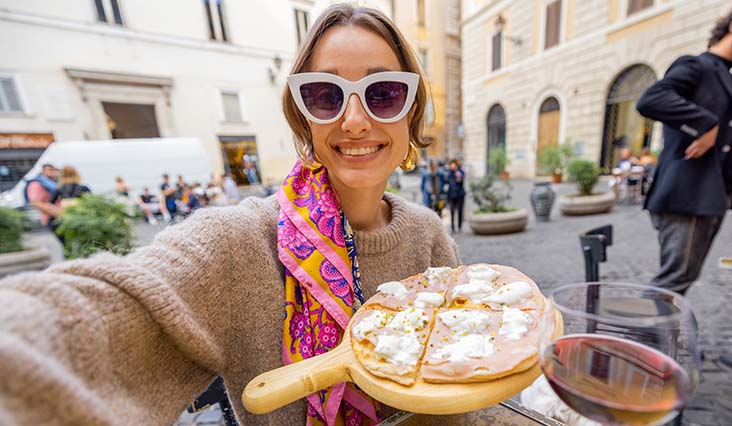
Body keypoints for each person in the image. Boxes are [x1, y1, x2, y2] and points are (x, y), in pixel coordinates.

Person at [0, 5, 458, 425]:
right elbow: (103, 308)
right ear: (303, 118)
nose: (355, 120)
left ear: (410, 110)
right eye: (325, 94)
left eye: (383, 94)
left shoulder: (429, 236)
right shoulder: (240, 243)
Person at [636, 9, 732, 297]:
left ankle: (657, 336)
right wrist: (707, 124)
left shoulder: (724, 76)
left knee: (683, 278)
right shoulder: (698, 66)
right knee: (674, 280)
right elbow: (651, 99)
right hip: (688, 194)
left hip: (711, 197)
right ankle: (631, 340)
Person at [23, 163, 61, 237]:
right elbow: (35, 202)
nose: (53, 172)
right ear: (43, 171)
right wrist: (56, 212)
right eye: (50, 170)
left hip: (58, 215)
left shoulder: (52, 183)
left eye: (54, 170)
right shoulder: (36, 183)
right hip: (52, 217)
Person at [446, 159, 466, 233]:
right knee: (452, 211)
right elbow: (447, 182)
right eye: (451, 165)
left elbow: (461, 180)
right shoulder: (449, 173)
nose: (452, 166)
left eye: (454, 165)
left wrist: (459, 177)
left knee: (460, 211)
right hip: (451, 195)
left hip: (460, 195)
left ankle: (460, 226)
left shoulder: (460, 172)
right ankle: (452, 227)